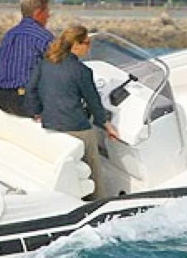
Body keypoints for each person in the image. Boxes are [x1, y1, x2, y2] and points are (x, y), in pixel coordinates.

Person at [28, 25, 119, 200]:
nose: (89, 47)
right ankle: (98, 201)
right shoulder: (82, 71)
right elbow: (93, 103)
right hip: (76, 127)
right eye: (87, 43)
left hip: (50, 125)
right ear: (75, 45)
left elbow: (31, 90)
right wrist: (107, 126)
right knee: (93, 169)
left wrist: (37, 113)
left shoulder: (44, 64)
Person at [0, 0, 55, 117]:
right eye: (47, 12)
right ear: (38, 13)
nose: (48, 16)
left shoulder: (10, 34)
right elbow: (61, 65)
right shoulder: (43, 36)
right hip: (25, 100)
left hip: (1, 98)